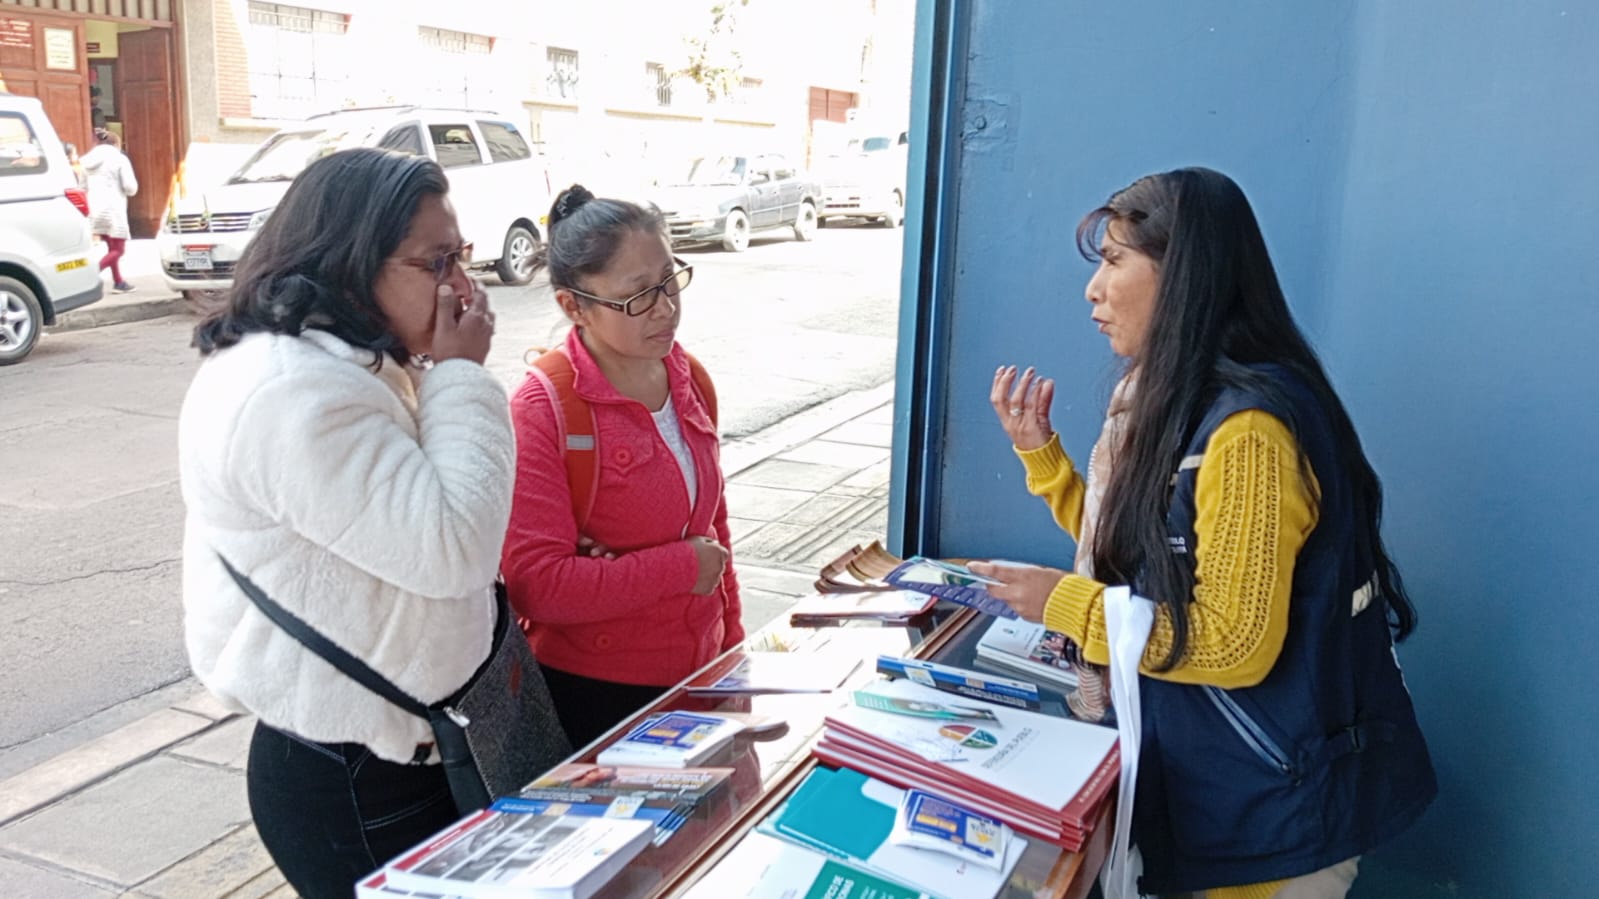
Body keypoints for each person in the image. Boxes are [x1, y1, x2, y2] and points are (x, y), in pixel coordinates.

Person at [967, 168, 1435, 899]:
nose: (1092, 288)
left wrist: (1063, 602)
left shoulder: (1248, 429)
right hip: (1224, 790)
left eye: (1114, 260)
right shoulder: (1185, 406)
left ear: (1183, 274)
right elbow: (1147, 556)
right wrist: (1043, 459)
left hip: (1271, 824)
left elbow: (1232, 643)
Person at [179, 148, 511, 898]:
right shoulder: (291, 392)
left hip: (402, 744)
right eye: (436, 262)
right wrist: (462, 372)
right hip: (358, 777)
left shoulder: (345, 361)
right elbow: (453, 546)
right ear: (352, 260)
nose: (461, 285)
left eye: (460, 255)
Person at [500, 185, 742, 748]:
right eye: (636, 297)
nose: (664, 308)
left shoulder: (688, 377)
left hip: (699, 674)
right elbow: (538, 586)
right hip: (596, 697)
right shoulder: (544, 409)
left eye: (669, 280)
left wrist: (732, 647)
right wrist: (681, 567)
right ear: (572, 305)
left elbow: (714, 526)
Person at [81, 128, 137, 292]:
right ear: (116, 144)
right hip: (114, 209)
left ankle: (119, 281)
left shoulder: (86, 161)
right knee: (119, 250)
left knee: (111, 248)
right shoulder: (119, 159)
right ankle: (90, 276)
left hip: (95, 208)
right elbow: (130, 187)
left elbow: (82, 186)